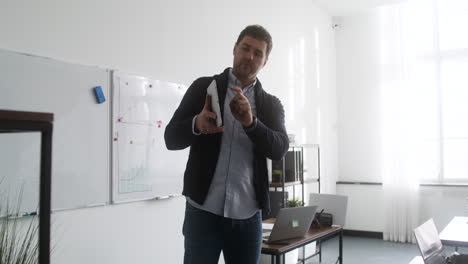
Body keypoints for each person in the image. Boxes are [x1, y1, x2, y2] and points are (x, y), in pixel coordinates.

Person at [164, 24, 289, 264]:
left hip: (248, 216)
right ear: (234, 49)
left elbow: (279, 149)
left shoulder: (271, 105)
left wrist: (252, 123)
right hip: (202, 211)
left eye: (258, 53)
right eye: (245, 48)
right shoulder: (203, 88)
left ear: (265, 62)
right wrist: (197, 124)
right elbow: (171, 138)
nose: (250, 56)